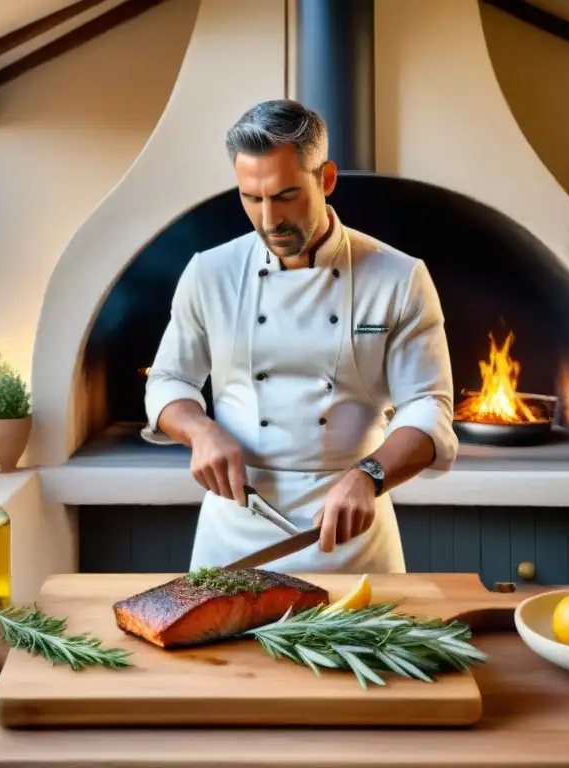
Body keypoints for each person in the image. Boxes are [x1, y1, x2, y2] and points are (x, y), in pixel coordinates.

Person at [144, 99, 458, 573]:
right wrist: (200, 431)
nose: (269, 220)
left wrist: (369, 476)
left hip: (350, 531)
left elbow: (429, 406)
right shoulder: (209, 273)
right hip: (235, 530)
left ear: (326, 179)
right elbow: (169, 380)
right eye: (252, 198)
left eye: (286, 195)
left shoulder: (398, 277)